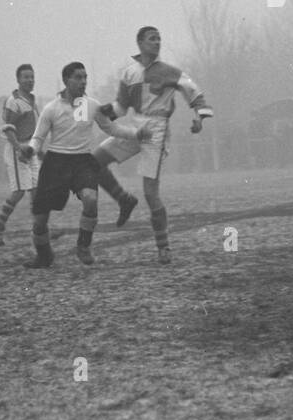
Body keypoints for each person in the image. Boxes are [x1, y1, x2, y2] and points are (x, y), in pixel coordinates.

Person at [92, 27, 212, 265]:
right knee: (94, 160)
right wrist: (99, 111)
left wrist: (200, 117)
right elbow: (120, 108)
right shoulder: (129, 73)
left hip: (156, 129)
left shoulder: (170, 72)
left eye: (159, 39)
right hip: (136, 125)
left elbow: (194, 92)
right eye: (152, 39)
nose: (157, 43)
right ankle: (123, 199)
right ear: (139, 43)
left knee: (150, 192)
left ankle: (163, 247)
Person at [20, 62, 152, 269]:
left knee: (90, 199)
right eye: (78, 78)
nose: (83, 82)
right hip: (56, 163)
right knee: (40, 219)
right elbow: (38, 138)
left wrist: (136, 134)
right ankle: (44, 255)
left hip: (82, 162)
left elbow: (112, 128)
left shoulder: (91, 105)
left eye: (85, 77)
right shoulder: (51, 108)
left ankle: (83, 245)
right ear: (66, 80)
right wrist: (30, 149)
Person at [0, 64, 40, 245]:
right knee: (19, 192)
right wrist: (19, 149)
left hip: (31, 148)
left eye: (32, 77)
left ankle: (39, 229)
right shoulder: (14, 101)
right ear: (18, 80)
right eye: (26, 77)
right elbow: (8, 129)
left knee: (36, 191)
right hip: (17, 149)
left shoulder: (33, 100)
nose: (30, 80)